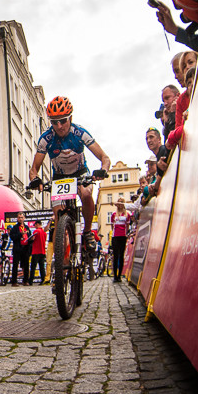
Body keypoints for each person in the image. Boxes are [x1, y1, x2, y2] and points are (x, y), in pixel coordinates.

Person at [28, 96, 111, 237]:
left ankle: (87, 232)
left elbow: (105, 158)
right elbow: (34, 169)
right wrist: (35, 180)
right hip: (60, 177)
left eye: (63, 120)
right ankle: (63, 249)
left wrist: (103, 170)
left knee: (85, 193)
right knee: (59, 218)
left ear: (70, 118)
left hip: (80, 172)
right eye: (54, 122)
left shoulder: (80, 133)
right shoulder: (46, 138)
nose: (59, 126)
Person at [110, 198, 132, 282]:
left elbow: (127, 226)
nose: (120, 204)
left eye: (121, 203)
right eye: (118, 203)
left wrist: (126, 234)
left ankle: (119, 275)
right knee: (115, 256)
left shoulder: (127, 215)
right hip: (115, 236)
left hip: (123, 236)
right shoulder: (114, 214)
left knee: (121, 256)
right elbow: (112, 226)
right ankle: (115, 276)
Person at [8, 213, 31, 286]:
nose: (20, 219)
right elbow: (12, 237)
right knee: (15, 265)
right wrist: (20, 234)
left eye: (22, 217)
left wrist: (32, 239)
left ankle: (25, 281)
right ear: (17, 219)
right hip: (18, 248)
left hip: (25, 248)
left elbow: (29, 236)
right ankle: (14, 281)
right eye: (19, 217)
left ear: (24, 218)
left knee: (26, 265)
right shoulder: (15, 228)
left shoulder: (27, 227)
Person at [29, 220, 47, 285]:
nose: (35, 226)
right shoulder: (44, 232)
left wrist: (30, 239)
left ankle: (30, 281)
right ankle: (43, 280)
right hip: (42, 251)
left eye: (35, 225)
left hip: (36, 251)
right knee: (42, 267)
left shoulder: (36, 231)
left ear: (37, 224)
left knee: (33, 267)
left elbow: (33, 239)